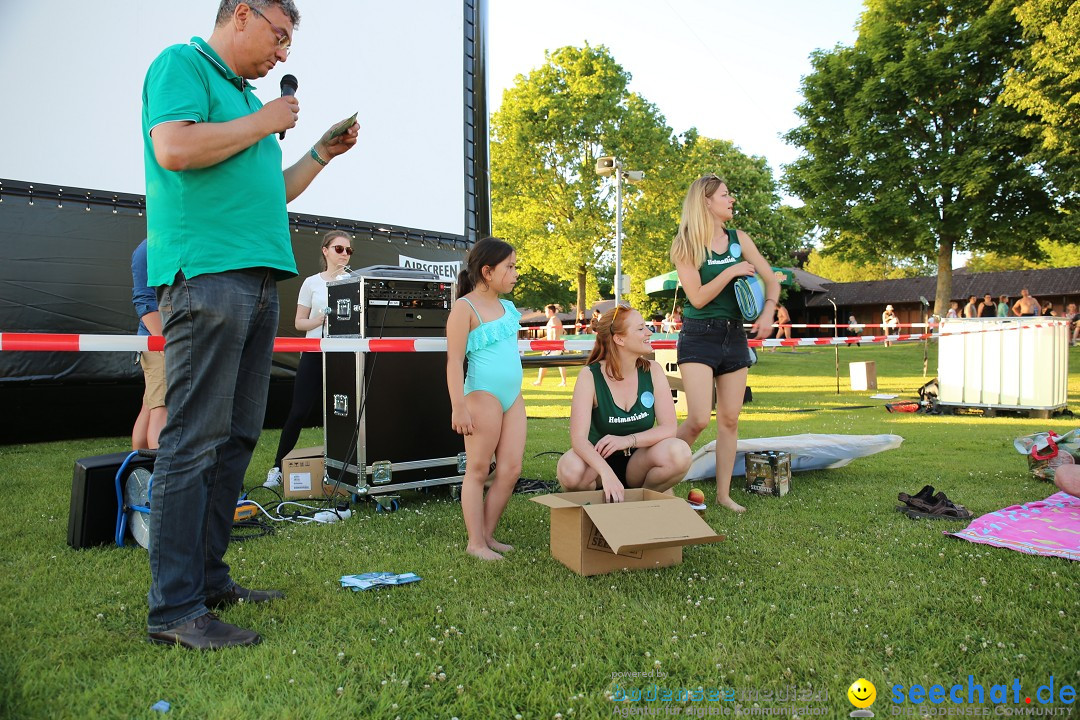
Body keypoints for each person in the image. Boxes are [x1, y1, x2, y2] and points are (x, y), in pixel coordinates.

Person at [142, 0, 359, 650]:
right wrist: (265, 120)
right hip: (207, 275)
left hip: (260, 278)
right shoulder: (184, 65)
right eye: (280, 35)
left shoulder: (246, 101)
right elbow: (174, 146)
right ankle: (175, 610)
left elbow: (276, 190)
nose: (283, 53)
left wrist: (320, 151)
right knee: (192, 439)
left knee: (236, 438)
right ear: (242, 14)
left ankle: (208, 581)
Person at [670, 174, 779, 513]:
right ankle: (658, 480)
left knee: (730, 419)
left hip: (734, 335)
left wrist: (768, 312)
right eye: (725, 195)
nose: (731, 200)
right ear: (705, 201)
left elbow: (771, 279)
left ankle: (723, 495)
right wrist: (731, 272)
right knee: (699, 419)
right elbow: (698, 298)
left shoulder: (739, 238)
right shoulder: (685, 244)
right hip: (698, 335)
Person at [556, 304, 691, 502]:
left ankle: (643, 499)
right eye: (640, 329)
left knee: (679, 452)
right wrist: (606, 472)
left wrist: (627, 440)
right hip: (598, 464)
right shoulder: (590, 376)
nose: (649, 332)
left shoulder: (653, 370)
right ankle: (600, 505)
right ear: (619, 339)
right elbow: (578, 440)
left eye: (646, 327)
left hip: (639, 462)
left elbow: (669, 428)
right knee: (570, 469)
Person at [445, 237, 525, 560]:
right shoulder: (464, 308)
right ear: (487, 271)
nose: (516, 273)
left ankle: (487, 536)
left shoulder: (508, 308)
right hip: (482, 395)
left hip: (512, 397)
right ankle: (474, 542)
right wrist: (458, 407)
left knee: (511, 469)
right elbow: (453, 362)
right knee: (478, 469)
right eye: (510, 267)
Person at [264, 231, 352, 487]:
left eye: (348, 250)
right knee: (299, 411)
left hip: (344, 356)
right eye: (339, 249)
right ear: (325, 251)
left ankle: (345, 469)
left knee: (345, 413)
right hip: (314, 352)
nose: (344, 254)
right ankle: (277, 468)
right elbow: (298, 322)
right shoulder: (312, 283)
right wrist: (320, 320)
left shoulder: (354, 281)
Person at [131, 239, 167, 450]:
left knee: (151, 406)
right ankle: (160, 478)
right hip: (159, 341)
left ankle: (137, 471)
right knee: (161, 409)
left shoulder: (149, 246)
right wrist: (164, 343)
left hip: (158, 340)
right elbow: (144, 301)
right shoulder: (148, 248)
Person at [532, 303, 567, 387]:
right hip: (554, 345)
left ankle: (539, 381)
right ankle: (563, 382)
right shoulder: (554, 319)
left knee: (544, 362)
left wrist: (553, 344)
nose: (545, 313)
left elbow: (555, 333)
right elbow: (554, 333)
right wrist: (540, 340)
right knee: (560, 364)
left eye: (546, 311)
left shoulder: (554, 319)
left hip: (553, 345)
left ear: (550, 311)